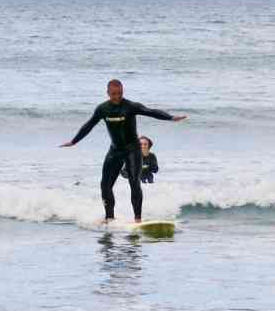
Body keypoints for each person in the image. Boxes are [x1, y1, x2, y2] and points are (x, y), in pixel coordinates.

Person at [60, 80, 187, 223]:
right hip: (115, 150)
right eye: (114, 94)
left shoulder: (130, 106)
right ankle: (109, 218)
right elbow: (89, 125)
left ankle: (138, 219)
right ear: (108, 93)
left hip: (132, 150)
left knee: (134, 182)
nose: (117, 96)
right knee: (105, 185)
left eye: (120, 93)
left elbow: (150, 112)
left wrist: (170, 117)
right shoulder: (102, 109)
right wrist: (74, 141)